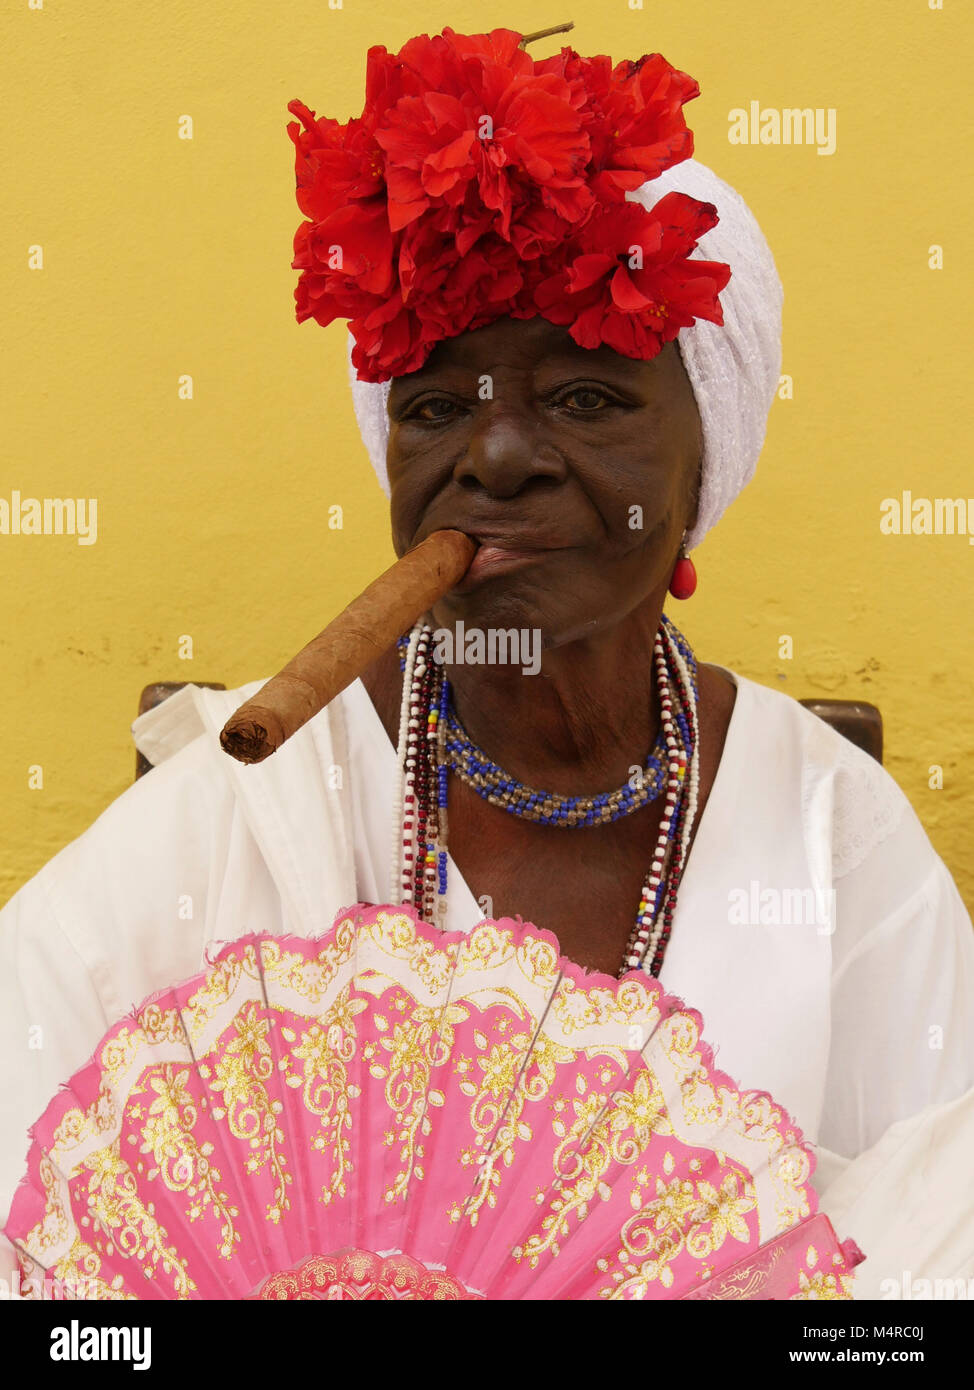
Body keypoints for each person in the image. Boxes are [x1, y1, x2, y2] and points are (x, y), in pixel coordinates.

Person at [2, 24, 973, 1300]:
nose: (496, 453)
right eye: (434, 404)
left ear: (702, 463)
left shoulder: (823, 827)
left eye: (584, 396)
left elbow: (930, 1240)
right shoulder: (255, 801)